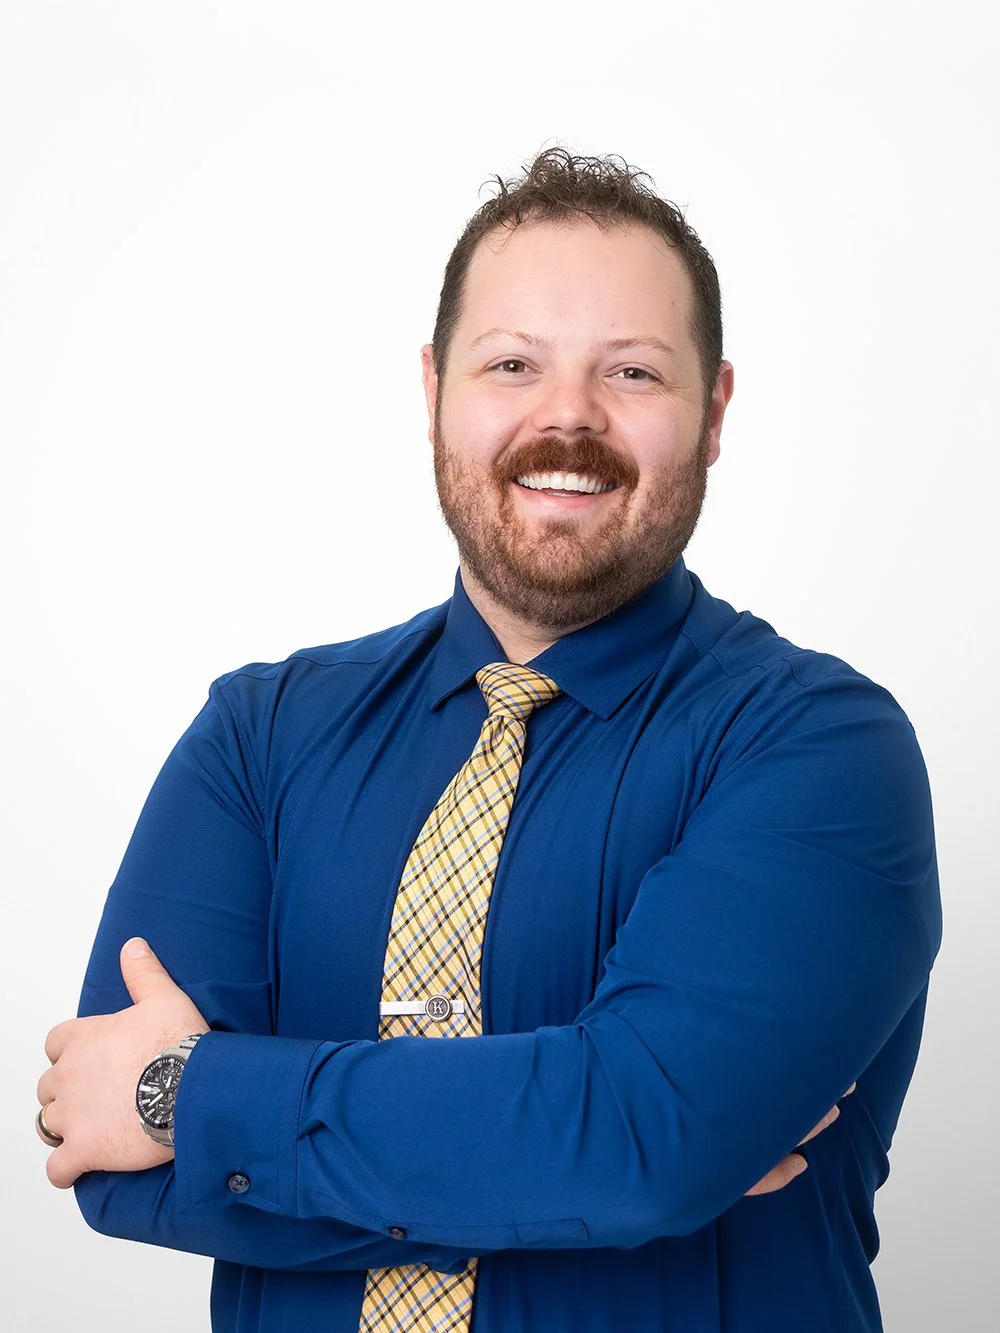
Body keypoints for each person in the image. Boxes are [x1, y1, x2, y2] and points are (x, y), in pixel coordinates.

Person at [36, 148, 941, 1333]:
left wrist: (198, 1105)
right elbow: (110, 1161)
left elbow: (645, 1144)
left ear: (714, 411)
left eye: (631, 370)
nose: (567, 414)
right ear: (433, 390)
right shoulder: (256, 739)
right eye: (512, 363)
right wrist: (605, 1162)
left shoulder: (819, 747)